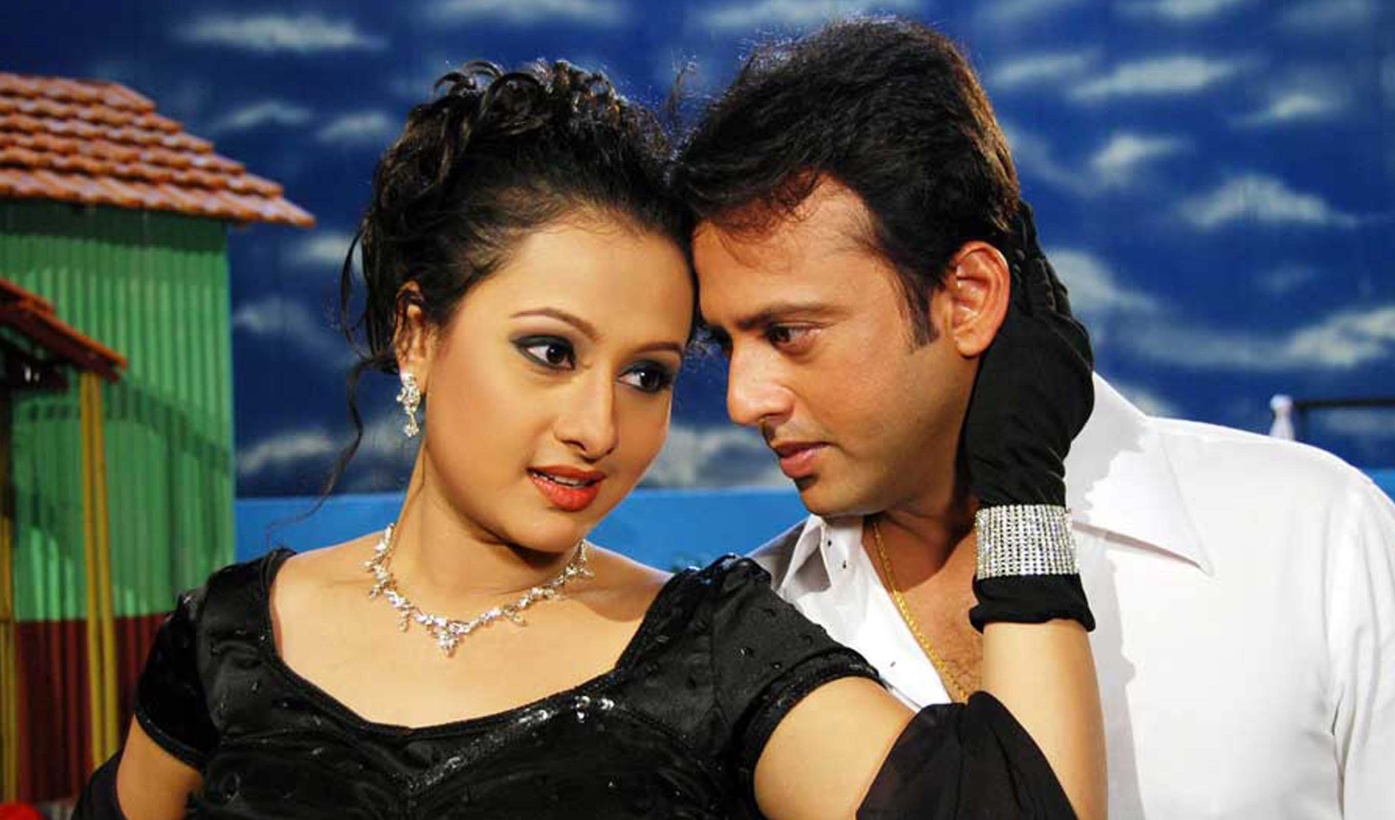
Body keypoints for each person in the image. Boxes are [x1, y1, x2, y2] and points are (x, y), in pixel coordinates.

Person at [74, 59, 1106, 819]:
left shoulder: (714, 650)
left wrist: (1017, 473)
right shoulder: (229, 638)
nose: (599, 428)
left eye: (646, 375)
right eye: (550, 352)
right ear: (418, 334)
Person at [674, 17, 1395, 820]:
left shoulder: (1314, 536)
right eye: (727, 342)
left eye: (788, 333)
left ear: (968, 297)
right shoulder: (752, 630)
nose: (744, 399)